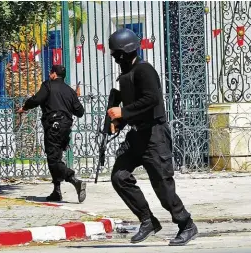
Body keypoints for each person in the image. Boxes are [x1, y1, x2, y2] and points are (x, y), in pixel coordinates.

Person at [106, 28, 198, 246]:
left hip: (155, 135)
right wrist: (119, 122)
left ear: (127, 52)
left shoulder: (144, 70)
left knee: (163, 186)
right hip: (136, 135)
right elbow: (135, 107)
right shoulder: (126, 75)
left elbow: (152, 100)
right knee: (119, 177)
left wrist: (123, 112)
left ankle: (186, 224)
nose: (116, 58)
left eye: (118, 53)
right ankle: (147, 220)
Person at [16, 65, 86, 203]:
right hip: (65, 128)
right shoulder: (69, 91)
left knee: (53, 160)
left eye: (50, 72)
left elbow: (36, 99)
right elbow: (80, 112)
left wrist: (25, 107)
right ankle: (56, 191)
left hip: (53, 126)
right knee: (56, 158)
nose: (49, 74)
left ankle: (74, 180)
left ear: (54, 74)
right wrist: (75, 98)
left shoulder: (48, 86)